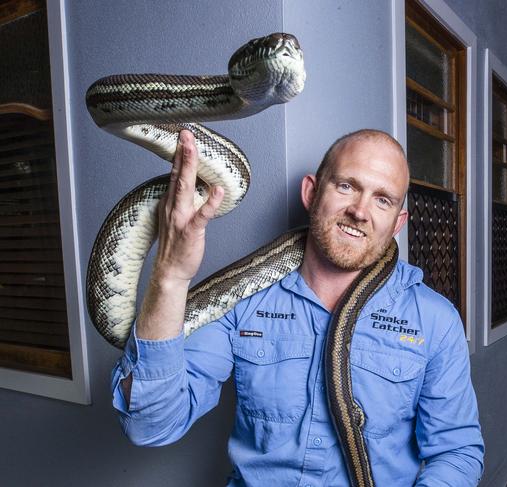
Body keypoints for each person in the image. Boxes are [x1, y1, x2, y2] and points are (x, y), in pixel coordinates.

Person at [111, 128, 485, 486]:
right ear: (311, 192)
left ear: (397, 223)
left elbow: (457, 452)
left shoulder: (434, 319)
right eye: (346, 186)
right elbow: (150, 425)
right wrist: (171, 277)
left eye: (382, 199)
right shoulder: (241, 301)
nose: (360, 210)